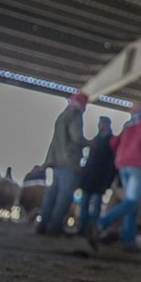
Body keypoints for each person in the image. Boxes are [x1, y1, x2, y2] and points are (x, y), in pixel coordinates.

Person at [91, 98, 141, 253]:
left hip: (123, 164)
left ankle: (129, 240)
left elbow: (114, 143)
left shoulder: (132, 121)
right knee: (132, 201)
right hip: (140, 164)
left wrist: (123, 154)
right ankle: (100, 224)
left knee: (133, 203)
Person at [38, 92, 88, 236]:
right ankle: (54, 227)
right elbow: (77, 137)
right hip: (69, 162)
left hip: (57, 161)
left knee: (52, 194)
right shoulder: (76, 115)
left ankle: (43, 225)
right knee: (64, 196)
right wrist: (89, 143)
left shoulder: (62, 116)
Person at [77, 117, 117, 235]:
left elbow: (111, 163)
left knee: (95, 205)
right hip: (91, 176)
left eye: (101, 124)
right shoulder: (98, 139)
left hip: (100, 177)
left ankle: (92, 229)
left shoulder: (110, 141)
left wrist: (107, 181)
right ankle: (83, 228)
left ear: (106, 125)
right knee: (85, 203)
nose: (99, 126)